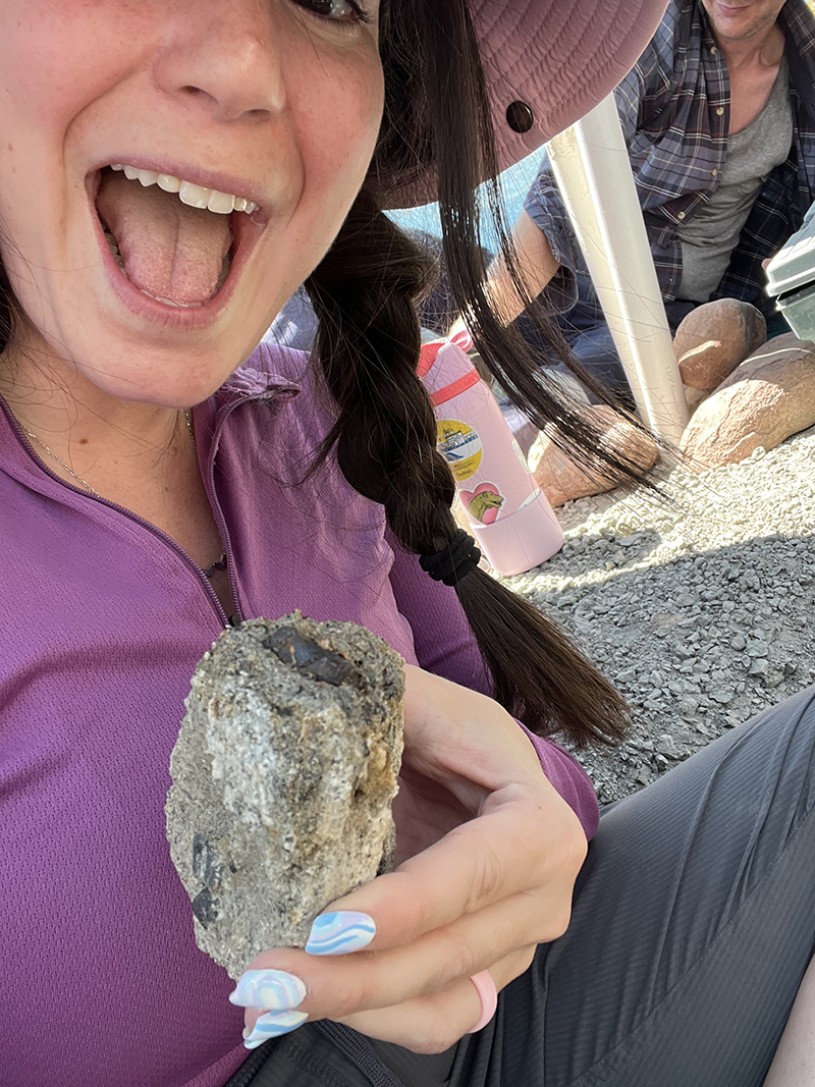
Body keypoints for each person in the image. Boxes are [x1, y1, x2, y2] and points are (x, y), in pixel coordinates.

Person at [1, 4, 814, 1087]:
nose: (242, 66)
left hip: (493, 1036)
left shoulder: (317, 419)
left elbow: (528, 771)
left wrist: (514, 829)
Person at [483, 0, 815, 403]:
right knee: (457, 344)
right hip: (574, 281)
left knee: (560, 394)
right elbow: (562, 189)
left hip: (680, 314)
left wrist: (798, 253)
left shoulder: (805, 69)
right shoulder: (650, 32)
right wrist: (479, 328)